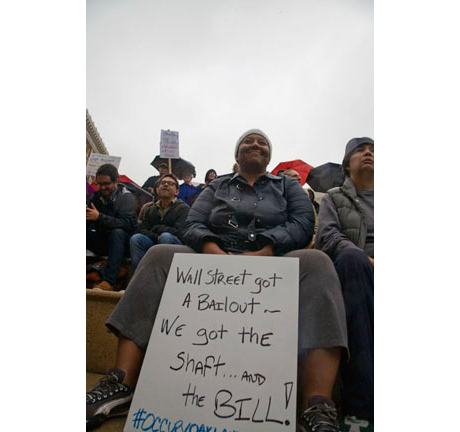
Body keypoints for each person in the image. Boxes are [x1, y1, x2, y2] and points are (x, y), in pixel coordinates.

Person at [86, 129, 347, 432]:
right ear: (236, 155)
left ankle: (316, 404)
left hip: (273, 259)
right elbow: (192, 223)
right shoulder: (218, 185)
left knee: (317, 263)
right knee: (158, 254)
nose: (254, 144)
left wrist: (266, 249)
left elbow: (302, 224)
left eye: (261, 141)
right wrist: (213, 250)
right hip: (213, 256)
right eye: (247, 141)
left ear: (269, 155)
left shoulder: (287, 185)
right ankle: (121, 382)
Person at [315, 137, 374, 428]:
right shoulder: (334, 197)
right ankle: (358, 407)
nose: (369, 153)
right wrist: (363, 257)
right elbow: (327, 236)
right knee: (353, 261)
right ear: (346, 165)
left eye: (374, 150)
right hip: (356, 270)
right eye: (360, 150)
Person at [86, 164, 137, 291]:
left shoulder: (127, 198)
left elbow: (127, 224)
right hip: (102, 241)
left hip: (121, 243)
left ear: (116, 181)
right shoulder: (95, 197)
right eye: (99, 184)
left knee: (117, 232)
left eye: (106, 184)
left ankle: (109, 280)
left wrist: (99, 217)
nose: (103, 187)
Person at [129, 174, 189, 273]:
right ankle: (140, 277)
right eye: (162, 183)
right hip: (154, 241)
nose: (165, 185)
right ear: (157, 189)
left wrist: (157, 228)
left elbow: (179, 231)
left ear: (177, 191)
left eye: (170, 183)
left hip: (176, 246)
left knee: (166, 237)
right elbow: (142, 229)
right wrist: (156, 237)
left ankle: (162, 277)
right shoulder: (150, 209)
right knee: (136, 239)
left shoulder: (183, 208)